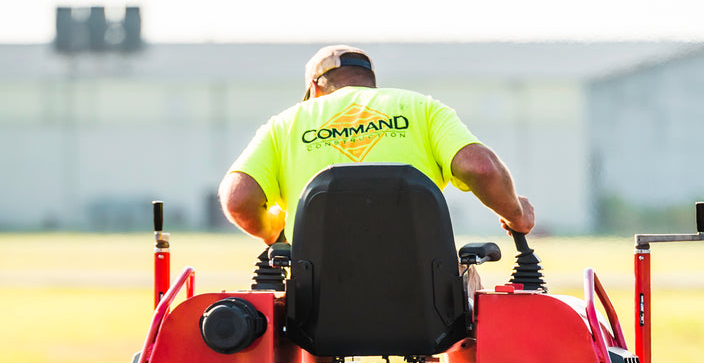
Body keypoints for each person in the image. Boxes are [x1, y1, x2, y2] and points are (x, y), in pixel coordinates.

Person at [219, 45, 536, 245]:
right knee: (472, 299)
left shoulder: (285, 123)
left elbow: (237, 197)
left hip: (316, 302)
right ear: (369, 82)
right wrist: (516, 215)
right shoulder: (420, 108)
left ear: (314, 87)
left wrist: (272, 232)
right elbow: (479, 167)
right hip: (424, 300)